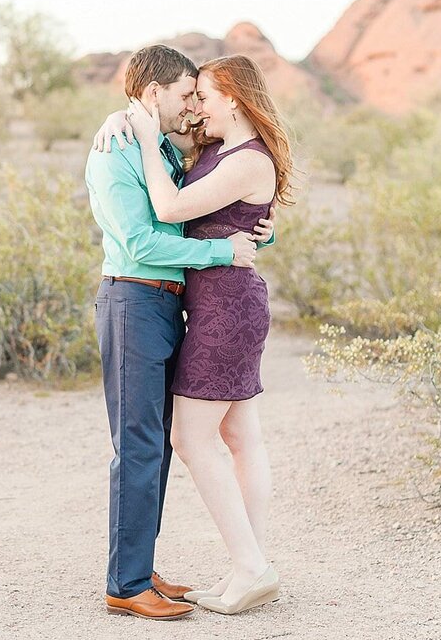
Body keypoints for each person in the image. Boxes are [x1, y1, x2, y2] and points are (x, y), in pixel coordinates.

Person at [93, 53, 294, 616]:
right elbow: (149, 235)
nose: (194, 107)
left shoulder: (198, 151)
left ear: (231, 96)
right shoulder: (124, 149)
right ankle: (138, 580)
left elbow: (207, 210)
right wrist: (118, 119)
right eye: (188, 95)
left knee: (189, 438)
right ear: (154, 96)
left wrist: (256, 236)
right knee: (163, 441)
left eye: (201, 96)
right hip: (145, 297)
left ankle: (236, 566)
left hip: (203, 306)